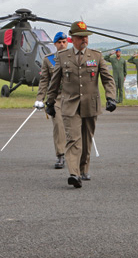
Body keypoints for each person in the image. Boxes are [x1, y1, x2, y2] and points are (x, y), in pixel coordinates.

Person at [45, 21, 117, 188]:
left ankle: (84, 169)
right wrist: (50, 102)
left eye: (86, 37)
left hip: (91, 104)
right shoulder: (62, 57)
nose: (84, 40)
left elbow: (107, 79)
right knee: (73, 139)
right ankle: (74, 173)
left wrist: (111, 97)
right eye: (80, 37)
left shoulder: (96, 56)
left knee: (86, 139)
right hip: (70, 105)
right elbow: (54, 82)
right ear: (72, 39)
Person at [34, 32, 69, 169]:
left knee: (76, 128)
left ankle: (76, 156)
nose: (62, 44)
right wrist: (40, 99)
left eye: (64, 41)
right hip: (57, 98)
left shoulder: (74, 59)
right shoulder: (49, 60)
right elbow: (44, 81)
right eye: (59, 42)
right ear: (55, 44)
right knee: (59, 126)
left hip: (73, 97)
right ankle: (60, 155)